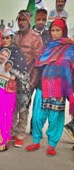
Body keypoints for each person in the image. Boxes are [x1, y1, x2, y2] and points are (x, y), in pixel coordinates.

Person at [26, 19, 74, 156]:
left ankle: (52, 144)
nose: (55, 33)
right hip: (43, 86)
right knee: (37, 116)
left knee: (55, 118)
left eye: (58, 30)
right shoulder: (47, 47)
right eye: (53, 30)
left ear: (63, 31)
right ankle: (36, 141)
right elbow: (38, 62)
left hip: (59, 88)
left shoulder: (70, 48)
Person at [12, 10, 43, 148]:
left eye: (23, 20)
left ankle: (20, 135)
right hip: (13, 79)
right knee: (12, 107)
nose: (21, 22)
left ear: (29, 21)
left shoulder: (36, 38)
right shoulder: (15, 36)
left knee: (23, 109)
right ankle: (12, 132)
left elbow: (38, 63)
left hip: (27, 80)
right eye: (19, 20)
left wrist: (32, 82)